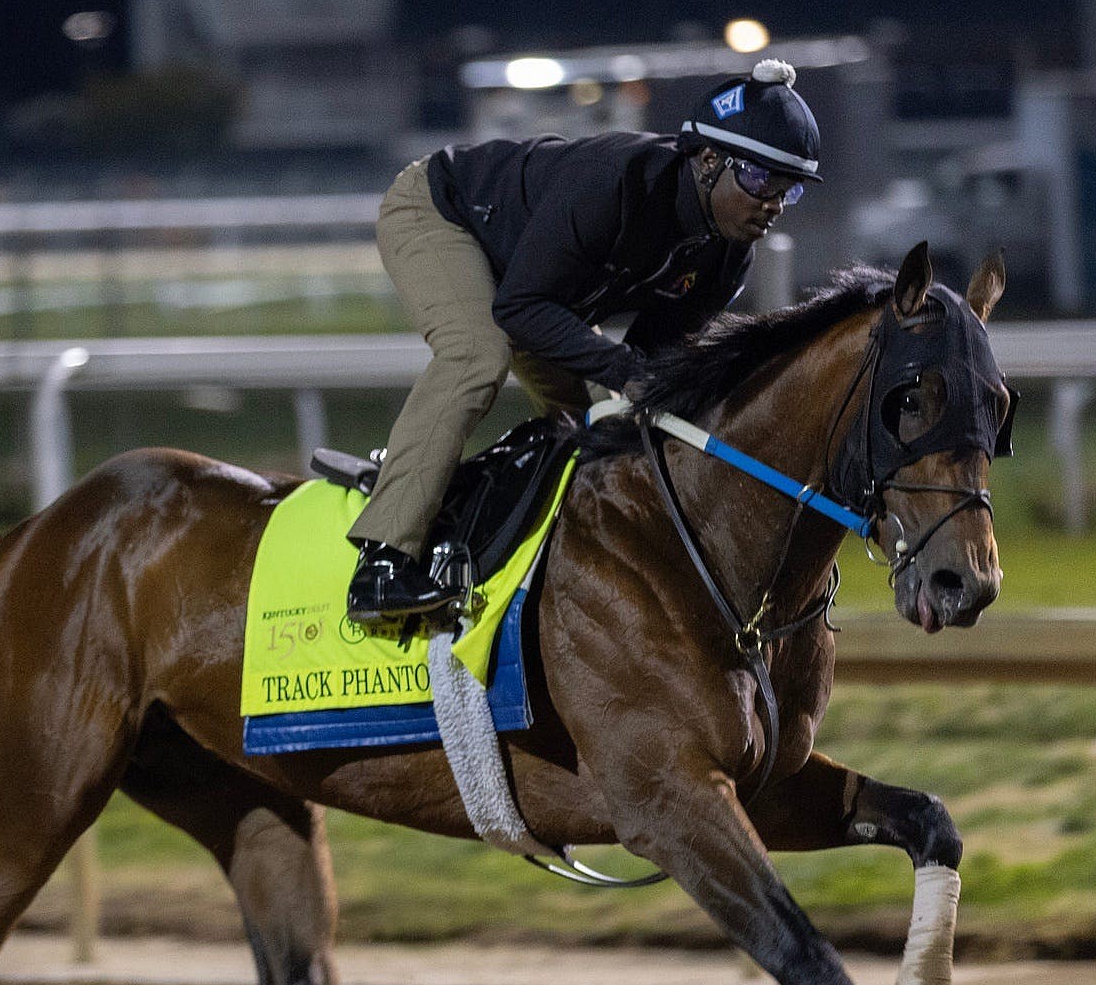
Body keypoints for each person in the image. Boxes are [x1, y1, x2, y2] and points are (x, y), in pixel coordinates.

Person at [346, 58, 822, 622]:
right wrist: (622, 371)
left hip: (537, 289)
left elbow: (651, 362)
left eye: (788, 191)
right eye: (762, 179)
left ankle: (539, 551)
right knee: (477, 352)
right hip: (442, 213)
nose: (772, 205)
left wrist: (633, 387)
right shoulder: (614, 181)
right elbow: (519, 309)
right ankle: (382, 561)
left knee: (609, 424)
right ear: (710, 161)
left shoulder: (727, 257)